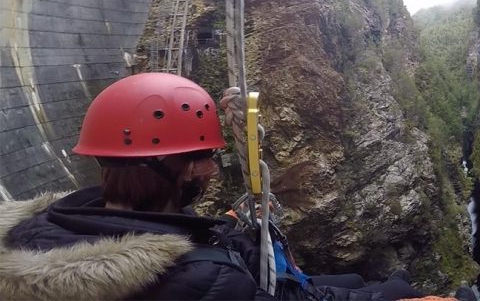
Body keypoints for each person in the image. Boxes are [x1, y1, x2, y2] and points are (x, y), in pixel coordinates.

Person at [0, 73, 424, 301]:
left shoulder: (49, 223)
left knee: (351, 275)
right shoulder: (203, 278)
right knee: (387, 286)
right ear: (172, 168)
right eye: (202, 159)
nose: (210, 171)